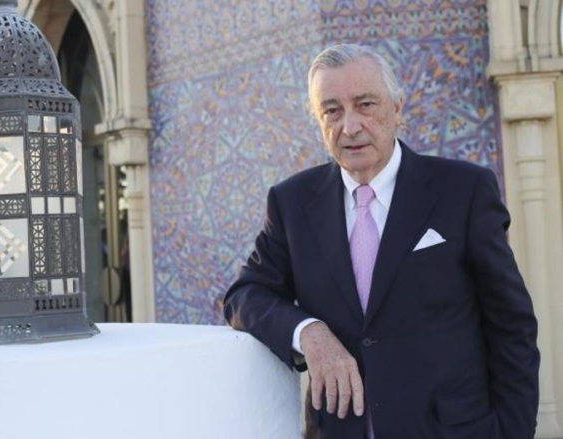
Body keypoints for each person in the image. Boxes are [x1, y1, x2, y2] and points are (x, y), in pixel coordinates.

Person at [222, 44, 540, 439]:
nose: (350, 126)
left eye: (365, 105)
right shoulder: (292, 203)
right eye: (332, 111)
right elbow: (245, 295)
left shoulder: (464, 190)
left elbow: (511, 326)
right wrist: (309, 333)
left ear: (397, 108)